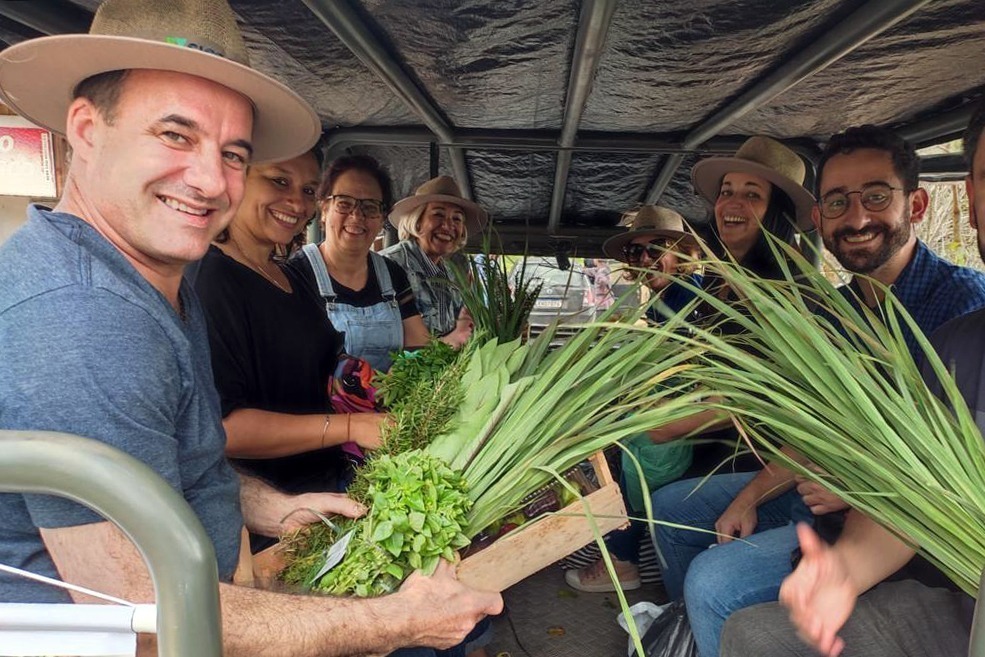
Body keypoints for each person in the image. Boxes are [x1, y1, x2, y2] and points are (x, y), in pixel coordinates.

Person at [0, 2, 502, 656]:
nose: (211, 180)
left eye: (232, 152)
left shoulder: (152, 277)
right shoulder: (83, 318)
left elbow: (176, 464)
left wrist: (268, 507)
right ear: (88, 130)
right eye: (175, 135)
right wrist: (394, 622)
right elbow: (146, 614)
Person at [652, 125, 985, 657]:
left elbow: (943, 478)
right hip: (821, 502)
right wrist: (750, 496)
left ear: (918, 204)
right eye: (838, 202)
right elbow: (816, 426)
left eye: (876, 197)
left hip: (909, 541)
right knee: (672, 508)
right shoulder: (836, 311)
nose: (856, 218)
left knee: (713, 584)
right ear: (819, 218)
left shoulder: (962, 312)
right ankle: (682, 634)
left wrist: (861, 490)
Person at [191, 151, 385, 505]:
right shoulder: (212, 279)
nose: (296, 202)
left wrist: (374, 386)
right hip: (274, 506)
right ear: (237, 179)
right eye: (279, 181)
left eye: (309, 190)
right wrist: (353, 426)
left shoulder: (288, 273)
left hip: (328, 484)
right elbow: (225, 429)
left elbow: (319, 365)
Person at [564, 205, 703, 592]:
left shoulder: (691, 294)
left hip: (684, 420)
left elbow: (690, 371)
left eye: (656, 249)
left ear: (682, 253)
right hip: (664, 408)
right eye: (633, 252)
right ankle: (621, 544)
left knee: (635, 451)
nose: (644, 259)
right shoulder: (663, 298)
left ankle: (624, 561)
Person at [289, 155, 431, 372]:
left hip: (388, 402)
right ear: (324, 209)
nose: (356, 216)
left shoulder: (393, 275)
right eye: (344, 203)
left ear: (382, 217)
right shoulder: (296, 274)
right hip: (317, 405)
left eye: (370, 207)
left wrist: (400, 375)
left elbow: (419, 344)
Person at [382, 175, 486, 347]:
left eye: (457, 219)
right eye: (438, 214)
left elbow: (461, 330)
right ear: (417, 220)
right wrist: (454, 339)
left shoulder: (453, 274)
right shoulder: (389, 265)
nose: (448, 225)